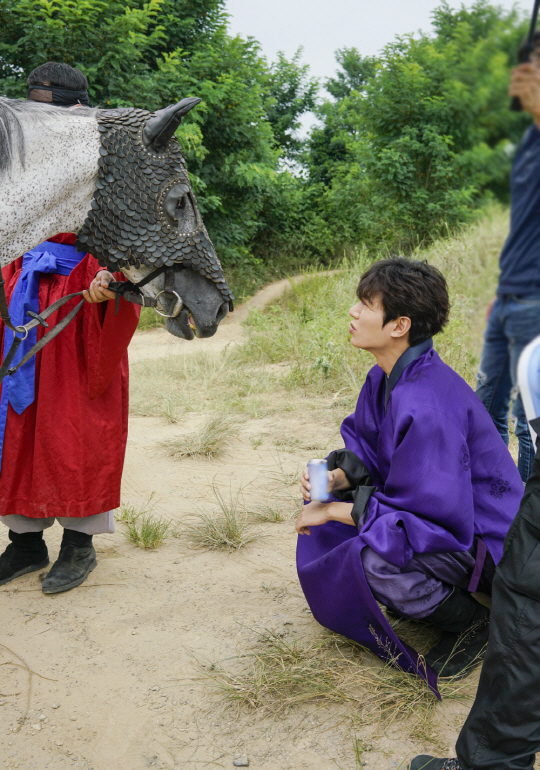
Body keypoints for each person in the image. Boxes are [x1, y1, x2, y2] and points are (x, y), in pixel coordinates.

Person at [296, 258, 522, 685]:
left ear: (399, 325)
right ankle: (435, 595)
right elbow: (368, 448)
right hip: (444, 519)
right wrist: (334, 480)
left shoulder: (427, 405)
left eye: (365, 304)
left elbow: (426, 520)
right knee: (335, 498)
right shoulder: (385, 378)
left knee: (376, 558)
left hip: (493, 547)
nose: (353, 312)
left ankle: (473, 623)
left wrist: (330, 512)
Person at [0, 62, 140, 593]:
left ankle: (79, 546)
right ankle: (24, 542)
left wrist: (115, 274)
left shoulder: (110, 156)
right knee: (20, 416)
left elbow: (136, 228)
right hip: (21, 291)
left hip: (86, 291)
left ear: (77, 108)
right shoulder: (19, 149)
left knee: (77, 418)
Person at [475, 31, 540, 483]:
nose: (523, 73)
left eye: (533, 65)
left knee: (530, 424)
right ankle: (500, 508)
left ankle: (531, 534)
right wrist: (501, 292)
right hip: (510, 297)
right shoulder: (528, 141)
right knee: (483, 410)